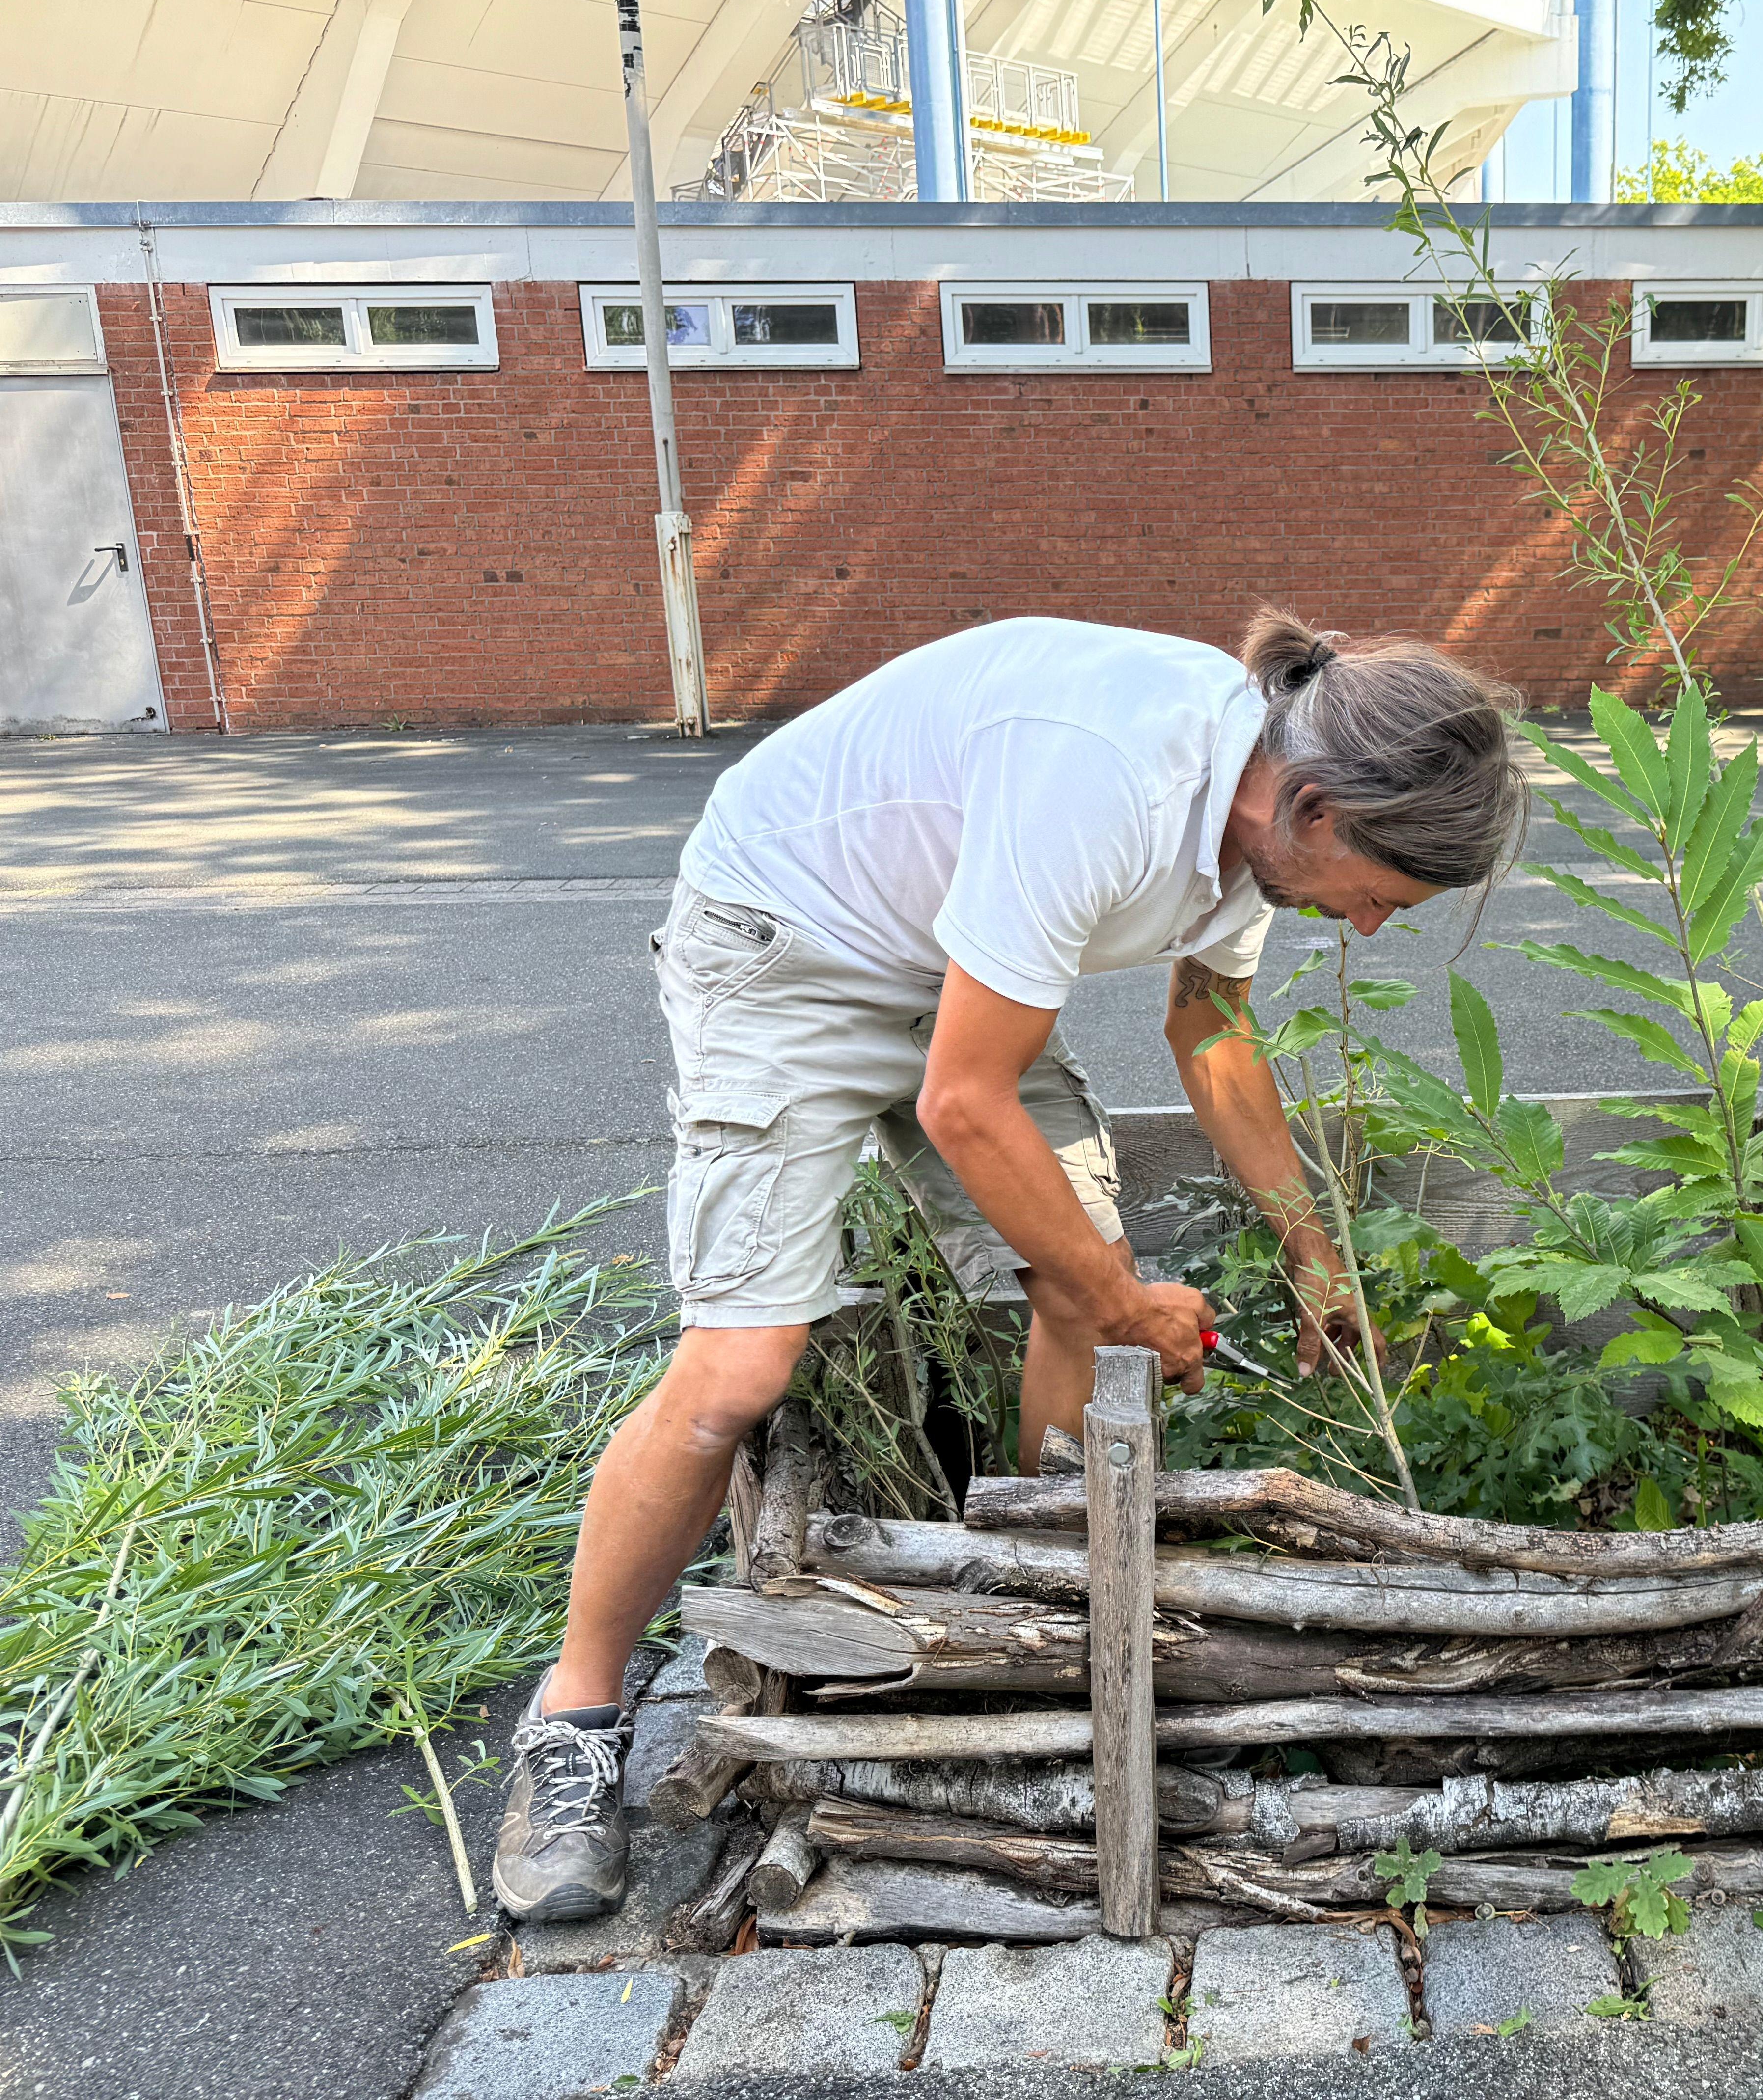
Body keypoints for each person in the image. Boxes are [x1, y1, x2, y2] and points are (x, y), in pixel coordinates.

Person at [490, 609, 1528, 1922]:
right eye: (1379, 895)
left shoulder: (1262, 824)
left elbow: (1210, 1025)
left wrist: (1312, 1249)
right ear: (1317, 808)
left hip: (959, 967)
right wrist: (1126, 1298)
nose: (1368, 929)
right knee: (740, 1372)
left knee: (1079, 1299)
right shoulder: (1111, 777)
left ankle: (1027, 1625)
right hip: (787, 942)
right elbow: (963, 1102)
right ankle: (573, 1720)